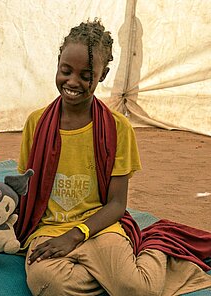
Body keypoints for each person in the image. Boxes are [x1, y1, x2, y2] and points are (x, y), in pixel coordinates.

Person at [15, 19, 211, 295]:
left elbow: (117, 204)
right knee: (47, 284)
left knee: (137, 289)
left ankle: (156, 251)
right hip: (49, 230)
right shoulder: (36, 123)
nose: (72, 82)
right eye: (65, 71)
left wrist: (76, 235)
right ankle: (110, 276)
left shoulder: (118, 128)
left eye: (86, 75)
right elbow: (24, 187)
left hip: (100, 227)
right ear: (58, 62)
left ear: (103, 75)